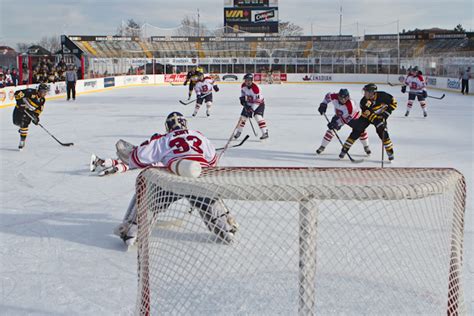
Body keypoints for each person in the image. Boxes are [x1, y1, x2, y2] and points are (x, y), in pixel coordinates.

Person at [90, 112, 237, 246]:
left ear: (168, 127)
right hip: (199, 178)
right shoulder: (199, 135)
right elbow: (212, 162)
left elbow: (138, 158)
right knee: (209, 199)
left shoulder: (163, 139)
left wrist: (130, 153)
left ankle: (132, 231)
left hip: (172, 180)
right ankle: (226, 227)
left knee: (146, 194)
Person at [339, 83, 397, 161]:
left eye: (366, 91)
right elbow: (370, 116)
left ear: (372, 92)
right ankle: (345, 149)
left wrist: (386, 114)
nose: (364, 93)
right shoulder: (364, 102)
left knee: (383, 133)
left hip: (381, 116)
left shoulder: (383, 96)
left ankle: (390, 152)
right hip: (366, 117)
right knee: (357, 130)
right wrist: (378, 122)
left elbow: (394, 103)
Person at [316, 89, 371, 155]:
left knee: (361, 131)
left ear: (348, 97)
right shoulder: (334, 96)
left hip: (353, 117)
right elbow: (328, 96)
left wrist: (335, 124)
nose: (343, 100)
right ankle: (322, 146)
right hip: (339, 116)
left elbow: (346, 119)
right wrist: (323, 104)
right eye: (340, 98)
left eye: (345, 98)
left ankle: (366, 146)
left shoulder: (350, 105)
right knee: (331, 131)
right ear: (338, 96)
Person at [13, 83, 49, 150]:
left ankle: (22, 141)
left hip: (29, 112)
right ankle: (21, 129)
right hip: (19, 109)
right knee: (16, 122)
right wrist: (20, 103)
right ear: (39, 90)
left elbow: (39, 109)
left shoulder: (42, 100)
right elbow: (17, 93)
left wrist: (36, 117)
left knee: (24, 125)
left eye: (45, 92)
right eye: (43, 91)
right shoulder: (30, 92)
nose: (44, 93)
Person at [234, 73, 269, 140]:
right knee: (243, 118)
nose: (247, 82)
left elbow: (258, 100)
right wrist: (242, 100)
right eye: (246, 80)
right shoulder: (243, 86)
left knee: (257, 117)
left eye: (248, 80)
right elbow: (243, 94)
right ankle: (239, 132)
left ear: (251, 80)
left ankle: (265, 132)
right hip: (249, 103)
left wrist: (252, 110)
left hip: (259, 104)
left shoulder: (256, 88)